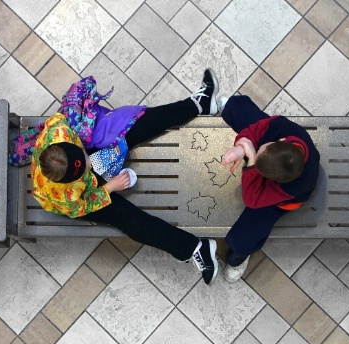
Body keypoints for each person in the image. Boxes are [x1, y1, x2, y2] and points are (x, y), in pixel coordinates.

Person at [31, 69, 220, 285]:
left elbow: (78, 123)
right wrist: (109, 187)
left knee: (132, 127)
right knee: (124, 217)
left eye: (84, 158)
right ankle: (194, 249)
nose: (90, 165)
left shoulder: (57, 130)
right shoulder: (63, 197)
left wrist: (97, 148)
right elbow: (84, 204)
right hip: (84, 197)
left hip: (81, 155)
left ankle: (198, 104)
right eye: (85, 169)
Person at [220, 95, 320, 282]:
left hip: (282, 201)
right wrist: (242, 148)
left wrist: (251, 162)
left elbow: (252, 199)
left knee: (244, 238)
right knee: (245, 113)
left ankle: (238, 258)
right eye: (261, 149)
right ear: (280, 141)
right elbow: (257, 130)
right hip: (281, 163)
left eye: (257, 156)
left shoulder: (292, 188)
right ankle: (230, 107)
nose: (257, 149)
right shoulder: (283, 127)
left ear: (269, 179)